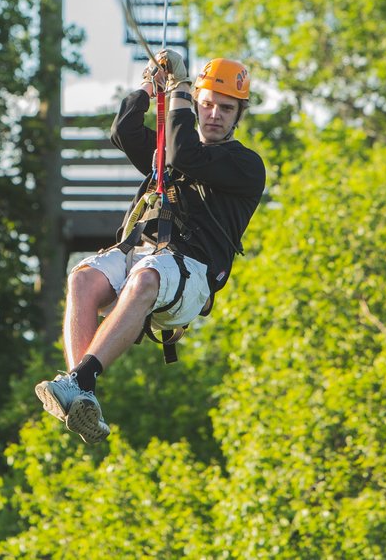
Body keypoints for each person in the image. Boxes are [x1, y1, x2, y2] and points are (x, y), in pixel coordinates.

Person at [34, 53, 268, 444]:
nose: (214, 114)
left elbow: (184, 154)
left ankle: (82, 379)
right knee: (83, 279)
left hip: (191, 271)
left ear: (238, 115)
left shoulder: (244, 165)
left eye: (225, 108)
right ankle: (82, 393)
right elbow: (124, 130)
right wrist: (151, 83)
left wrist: (177, 89)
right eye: (206, 104)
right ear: (196, 104)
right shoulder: (175, 150)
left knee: (147, 277)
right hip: (143, 253)